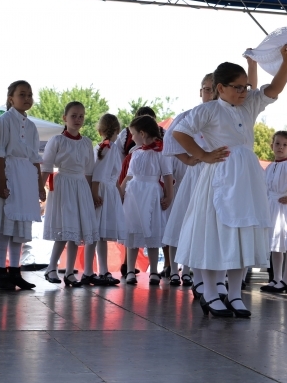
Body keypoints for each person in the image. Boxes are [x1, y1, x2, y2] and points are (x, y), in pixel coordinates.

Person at [173, 46, 287, 318]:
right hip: (220, 174)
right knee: (215, 232)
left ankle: (236, 293)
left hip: (247, 178)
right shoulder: (210, 110)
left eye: (245, 87)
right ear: (220, 87)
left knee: (243, 233)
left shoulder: (248, 105)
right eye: (237, 88)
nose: (243, 92)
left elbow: (275, 88)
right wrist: (203, 154)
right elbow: (180, 132)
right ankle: (211, 292)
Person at [0, 80, 46, 291]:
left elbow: (34, 157)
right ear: (11, 98)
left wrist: (39, 184)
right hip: (10, 173)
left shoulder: (31, 126)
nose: (27, 98)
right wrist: (3, 182)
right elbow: (0, 152)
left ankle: (15, 270)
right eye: (22, 94)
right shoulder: (4, 121)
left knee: (20, 227)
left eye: (30, 94)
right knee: (5, 226)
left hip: (26, 177)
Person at [162, 73, 215, 291]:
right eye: (206, 89)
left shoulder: (225, 114)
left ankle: (195, 273)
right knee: (183, 221)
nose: (210, 93)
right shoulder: (191, 115)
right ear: (200, 91)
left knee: (207, 225)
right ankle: (174, 270)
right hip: (195, 174)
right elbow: (170, 138)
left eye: (214, 89)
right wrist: (187, 158)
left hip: (216, 175)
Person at [41, 102, 99, 287]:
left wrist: (91, 194)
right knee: (64, 228)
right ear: (65, 118)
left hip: (80, 186)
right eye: (73, 115)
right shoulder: (57, 140)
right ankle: (51, 267)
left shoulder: (86, 142)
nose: (78, 119)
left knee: (77, 230)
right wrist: (40, 188)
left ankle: (69, 272)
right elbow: (47, 166)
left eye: (81, 116)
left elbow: (89, 171)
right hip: (63, 184)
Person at [119, 115, 174, 285]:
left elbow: (167, 176)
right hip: (134, 195)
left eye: (133, 134)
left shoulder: (161, 153)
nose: (132, 137)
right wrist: (119, 194)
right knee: (133, 230)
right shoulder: (135, 153)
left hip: (152, 194)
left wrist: (169, 196)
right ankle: (130, 270)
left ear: (142, 133)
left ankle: (154, 271)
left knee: (152, 230)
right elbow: (128, 177)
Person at [260, 130, 287, 294]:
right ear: (272, 145)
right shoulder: (270, 166)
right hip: (271, 207)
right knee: (275, 245)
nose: (280, 147)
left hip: (285, 208)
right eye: (277, 143)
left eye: (285, 145)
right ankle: (276, 278)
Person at [88, 113, 126, 286]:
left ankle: (101, 270)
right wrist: (95, 194)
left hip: (106, 190)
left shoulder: (105, 147)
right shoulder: (109, 148)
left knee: (99, 235)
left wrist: (118, 191)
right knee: (96, 234)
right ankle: (93, 271)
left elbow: (109, 176)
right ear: (117, 130)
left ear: (100, 130)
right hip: (103, 191)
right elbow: (99, 175)